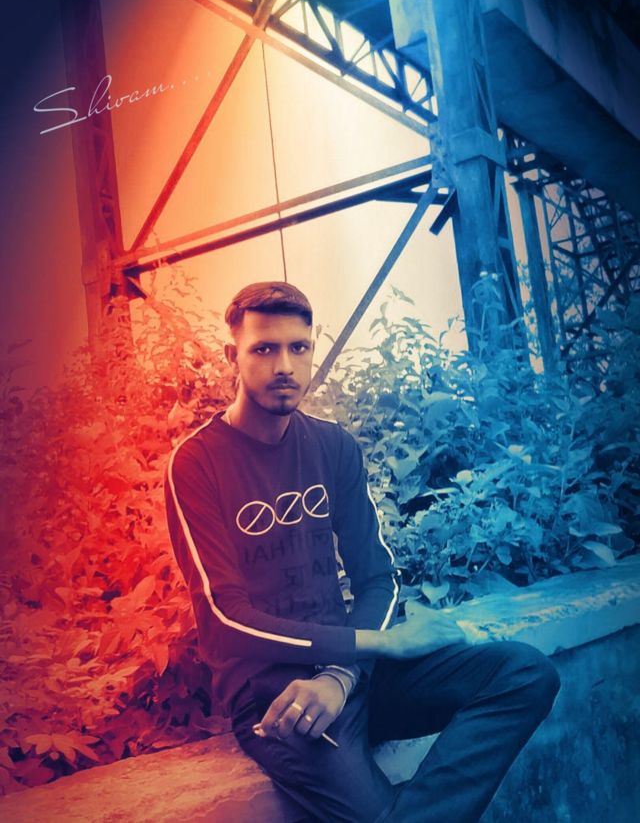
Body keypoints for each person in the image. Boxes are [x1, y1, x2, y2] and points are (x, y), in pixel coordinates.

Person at [164, 281, 560, 823]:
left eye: (298, 347)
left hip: (353, 672)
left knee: (524, 673)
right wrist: (381, 643)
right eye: (264, 349)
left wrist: (342, 673)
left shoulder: (333, 446)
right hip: (276, 696)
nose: (284, 365)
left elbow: (378, 577)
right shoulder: (196, 463)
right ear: (233, 356)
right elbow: (223, 620)